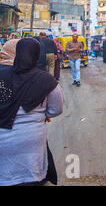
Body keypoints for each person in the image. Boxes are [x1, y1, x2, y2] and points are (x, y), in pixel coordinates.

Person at [0, 38, 64, 186]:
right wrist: (41, 115)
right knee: (37, 174)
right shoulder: (45, 79)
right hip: (32, 145)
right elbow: (57, 108)